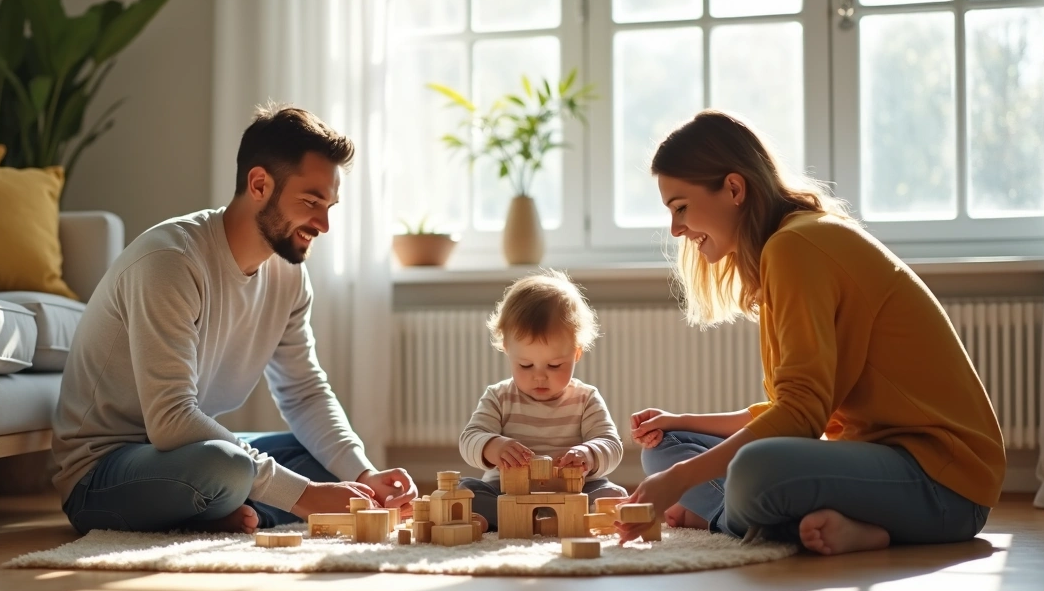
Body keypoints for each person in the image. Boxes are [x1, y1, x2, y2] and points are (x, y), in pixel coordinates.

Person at [617, 110, 1005, 555]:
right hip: (883, 465)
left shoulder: (795, 247)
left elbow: (800, 418)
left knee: (753, 470)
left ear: (734, 188)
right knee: (665, 448)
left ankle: (724, 518)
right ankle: (761, 519)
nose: (676, 229)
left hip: (944, 486)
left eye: (681, 207)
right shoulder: (786, 246)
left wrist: (682, 480)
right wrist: (681, 424)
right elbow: (790, 411)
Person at [52, 104, 416, 535]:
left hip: (186, 457)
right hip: (104, 473)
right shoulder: (170, 261)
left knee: (324, 458)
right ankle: (242, 506)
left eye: (330, 205)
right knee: (226, 466)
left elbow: (304, 392)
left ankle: (235, 514)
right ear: (259, 183)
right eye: (311, 202)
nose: (323, 224)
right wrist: (305, 496)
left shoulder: (290, 276)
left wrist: (363, 474)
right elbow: (171, 422)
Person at [459, 269, 627, 531]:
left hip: (573, 491)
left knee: (613, 495)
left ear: (576, 353)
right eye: (525, 365)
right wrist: (494, 446)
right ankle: (542, 523)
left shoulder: (585, 398)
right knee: (466, 491)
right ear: (507, 350)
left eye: (554, 365)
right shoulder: (499, 396)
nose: (539, 377)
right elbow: (470, 437)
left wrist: (588, 454)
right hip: (506, 493)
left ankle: (531, 523)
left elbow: (611, 445)